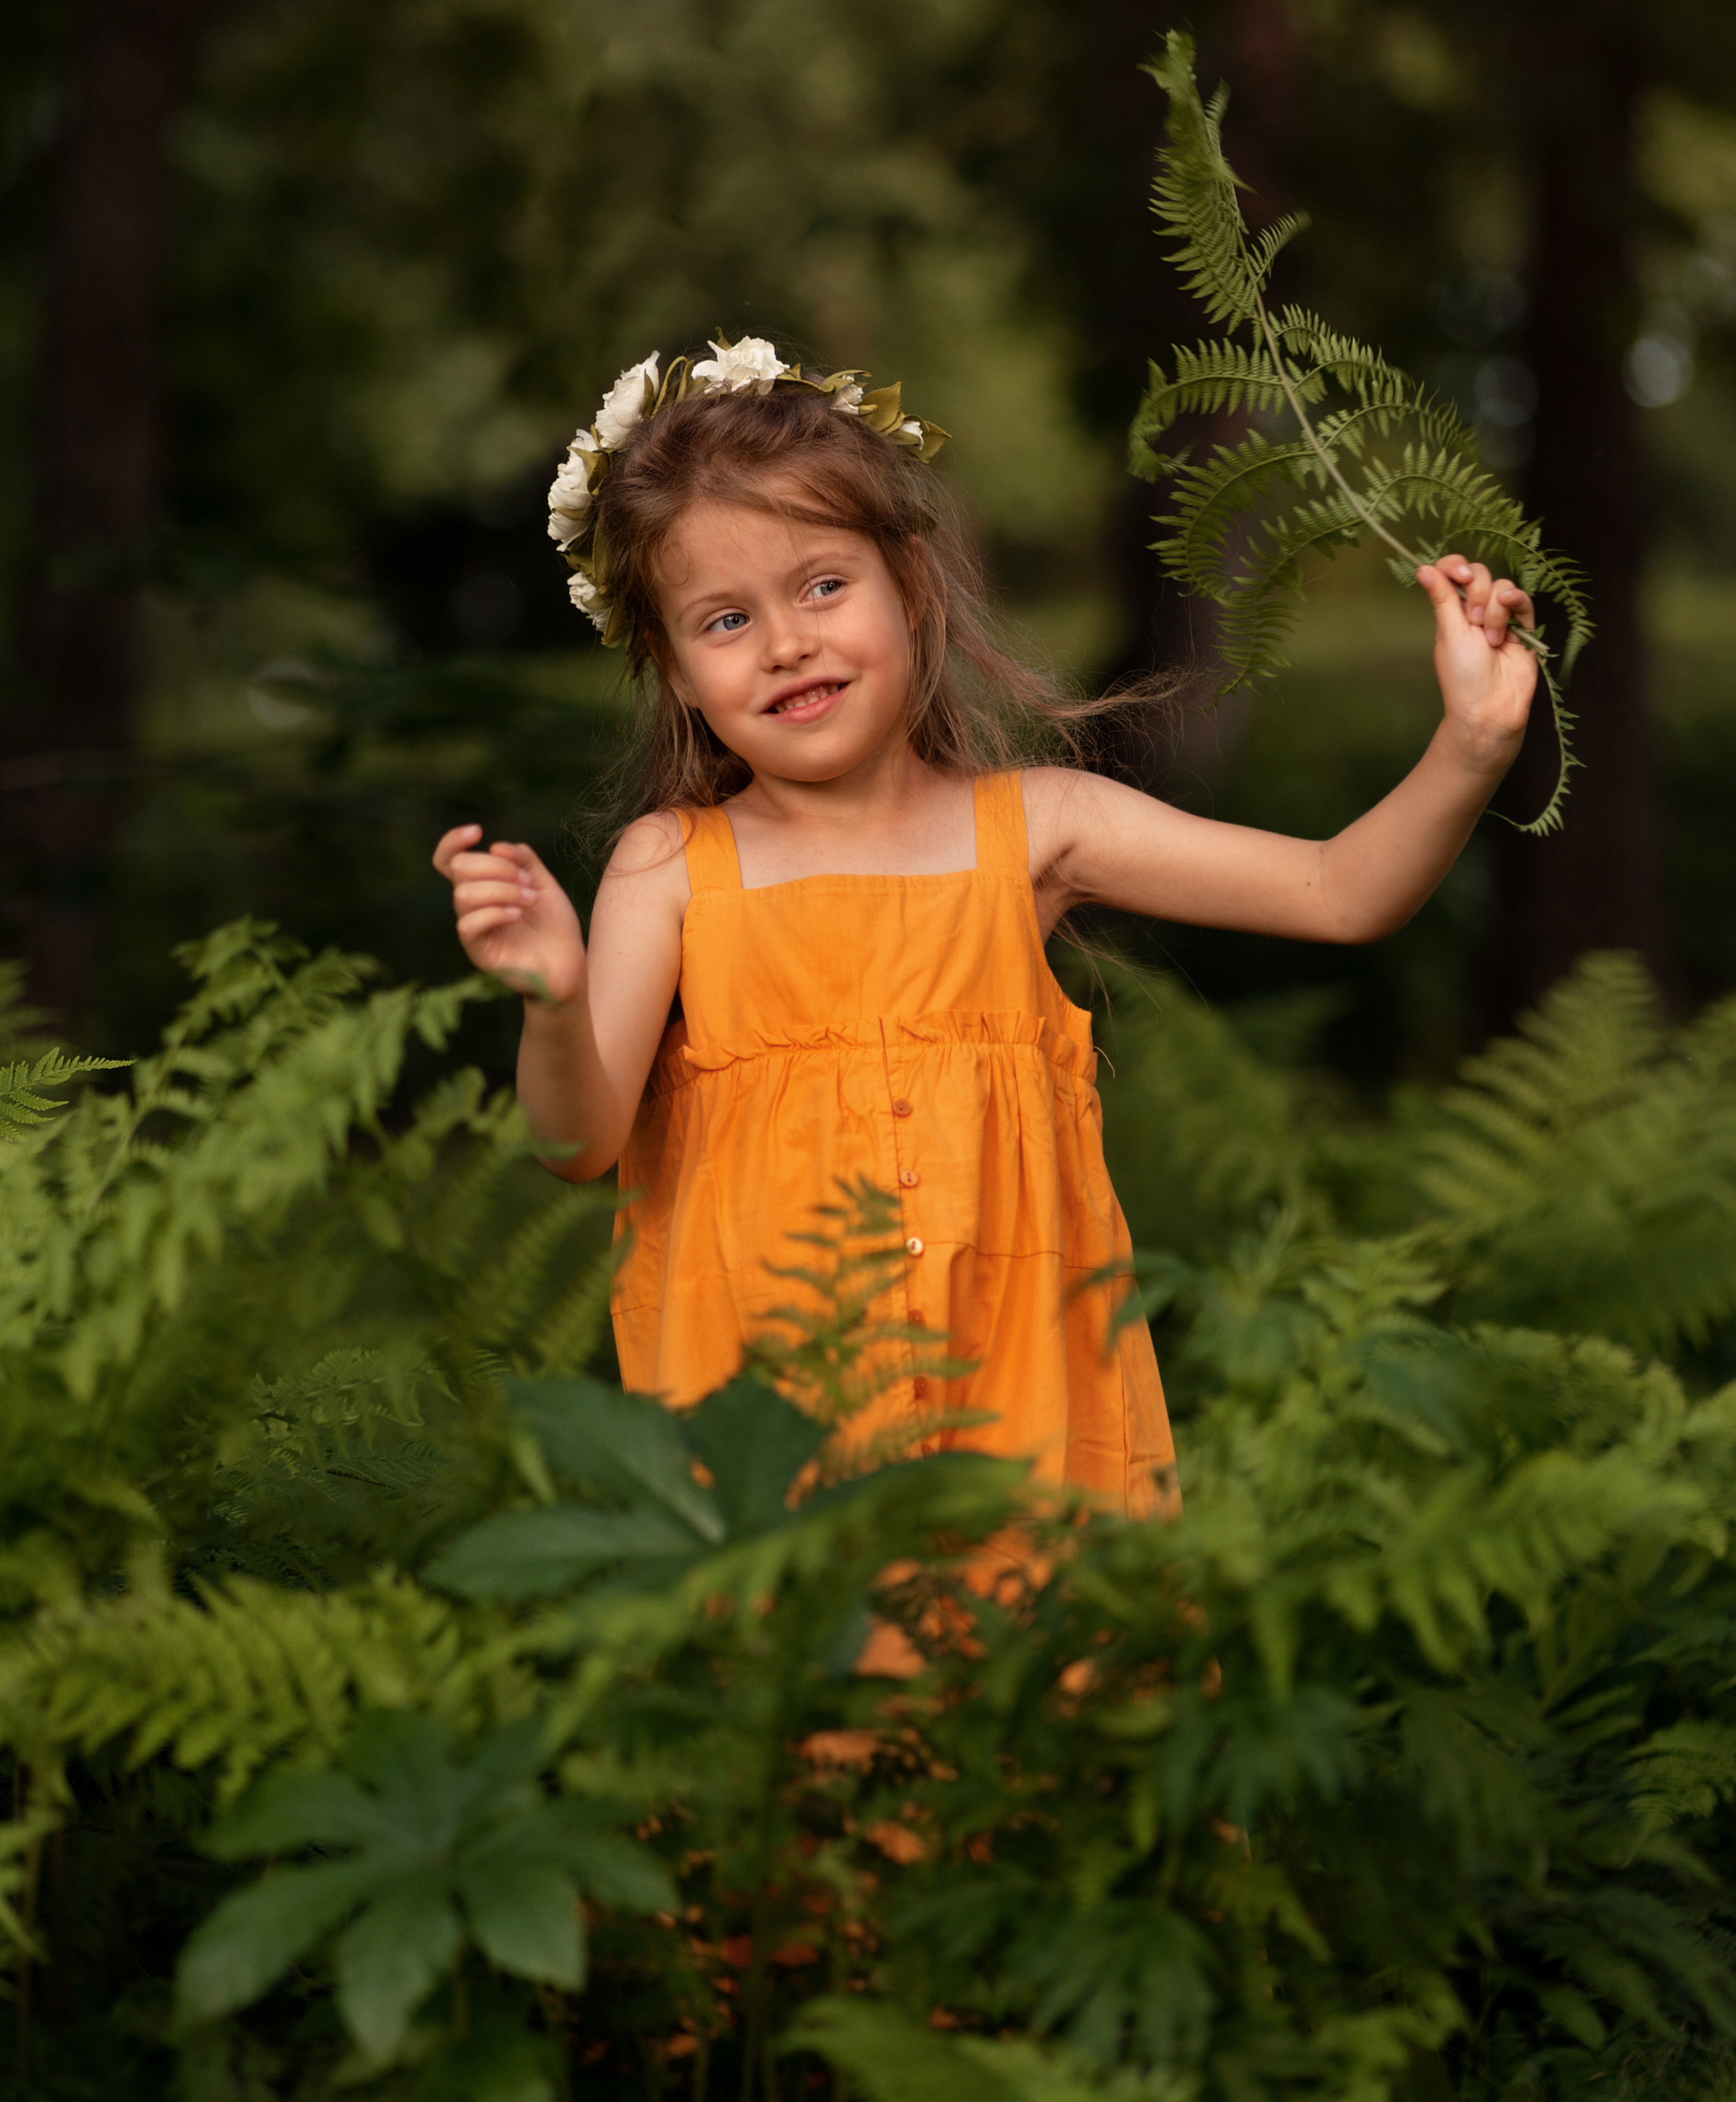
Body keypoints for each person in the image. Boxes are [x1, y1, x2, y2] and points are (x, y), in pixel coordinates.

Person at [434, 339, 1538, 1517]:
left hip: (1031, 1435)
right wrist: (555, 1002)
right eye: (725, 619)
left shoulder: (1039, 829)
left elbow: (1340, 891)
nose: (787, 643)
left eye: (822, 586)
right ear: (674, 671)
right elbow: (579, 1142)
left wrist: (1470, 746)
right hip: (778, 1458)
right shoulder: (670, 868)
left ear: (910, 586)